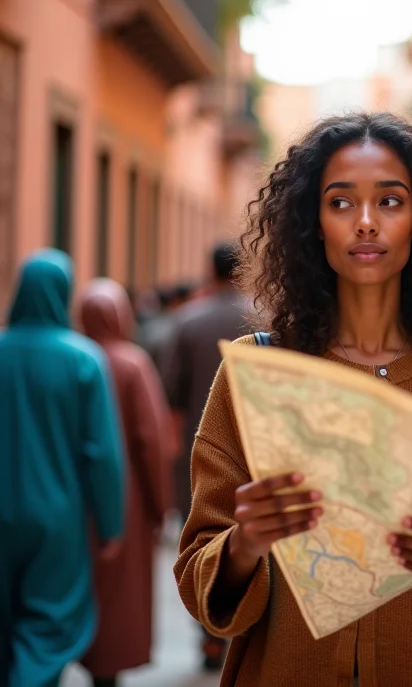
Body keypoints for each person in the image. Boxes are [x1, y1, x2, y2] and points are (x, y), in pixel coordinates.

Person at [174, 112, 412, 686]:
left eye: (390, 202)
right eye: (341, 203)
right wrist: (245, 542)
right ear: (314, 223)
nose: (366, 223)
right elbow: (199, 578)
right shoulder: (256, 374)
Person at [0, 250, 125, 687]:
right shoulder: (82, 360)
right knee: (48, 623)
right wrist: (110, 525)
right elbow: (102, 454)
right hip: (57, 519)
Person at [78, 279, 173, 687]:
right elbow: (152, 441)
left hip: (74, 495)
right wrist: (160, 505)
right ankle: (106, 672)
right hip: (126, 497)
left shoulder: (76, 358)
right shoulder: (132, 364)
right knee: (118, 594)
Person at [161, 242, 251, 670]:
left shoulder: (188, 321)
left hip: (200, 452)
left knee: (204, 537)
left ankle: (210, 637)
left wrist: (175, 453)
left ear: (210, 271)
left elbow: (171, 401)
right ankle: (240, 631)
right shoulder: (266, 318)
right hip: (256, 453)